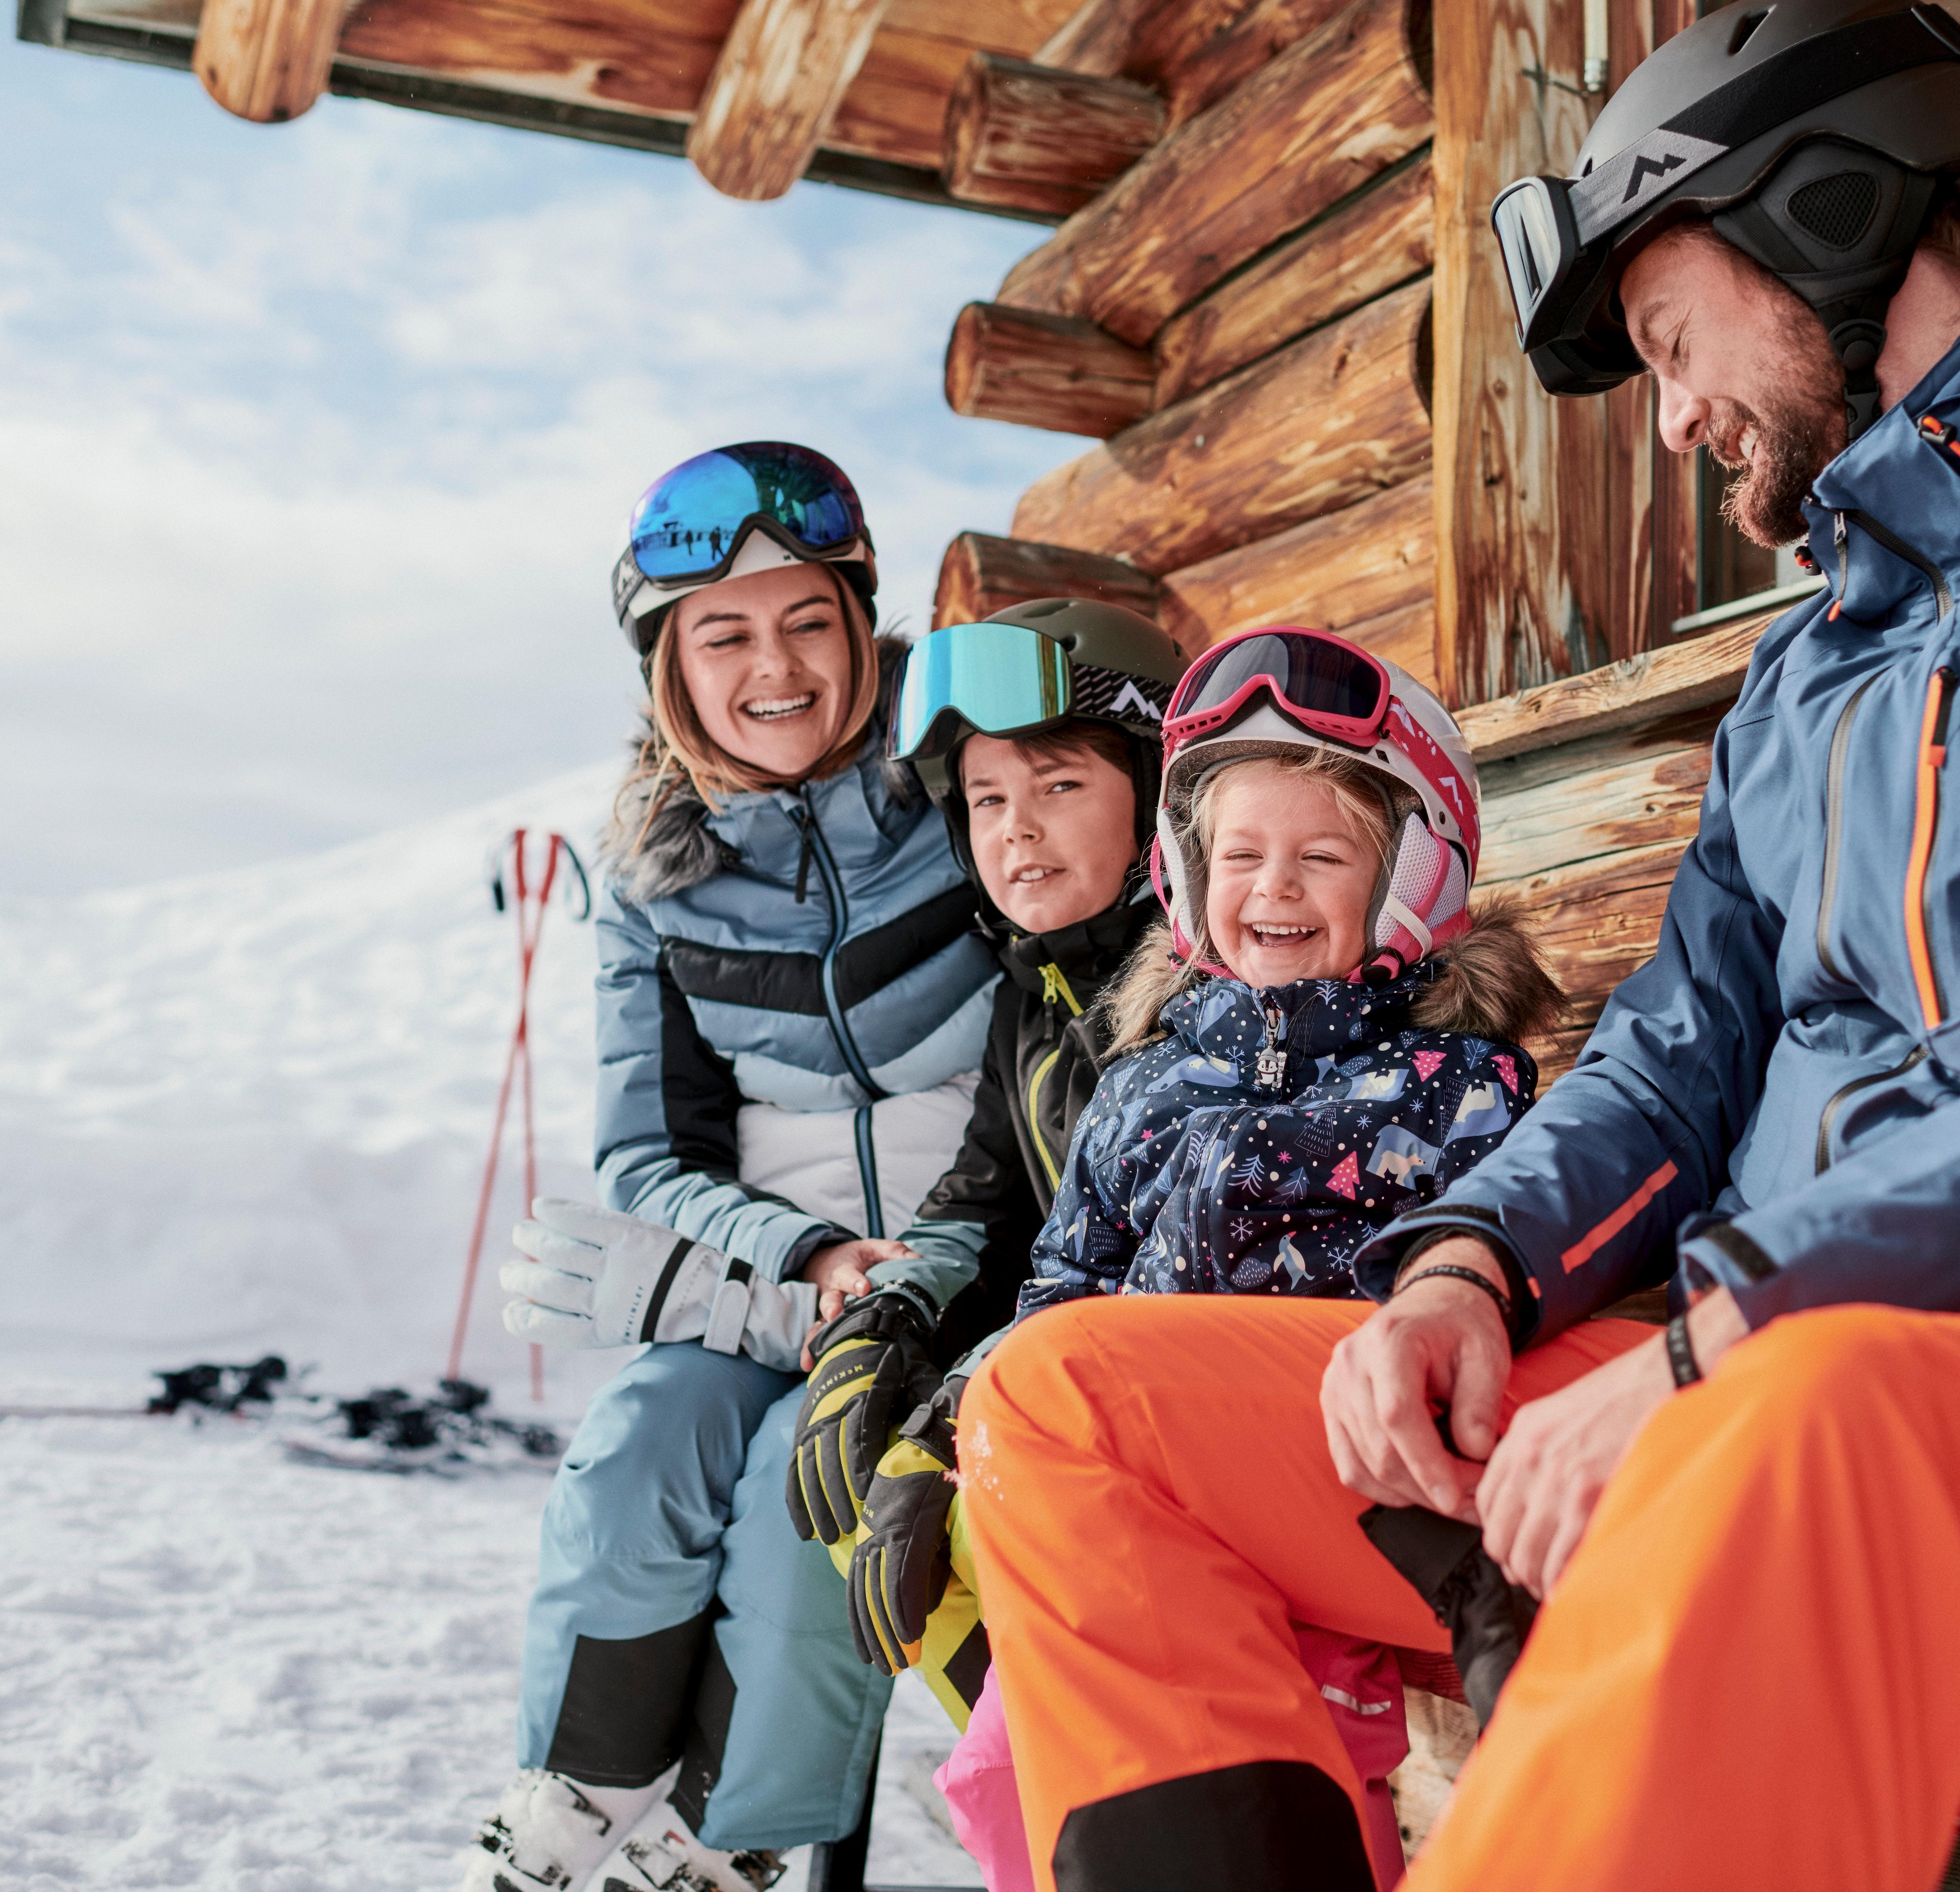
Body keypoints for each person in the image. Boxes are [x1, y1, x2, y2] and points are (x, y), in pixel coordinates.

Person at [957, 0, 1960, 1892]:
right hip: (1744, 1390)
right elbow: (1673, 1062)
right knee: (1069, 1402)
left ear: (1830, 216)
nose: (1674, 419)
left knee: (1812, 1416)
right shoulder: (1810, 676)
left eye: (1675, 341)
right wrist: (1465, 1269)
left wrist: (1743, 1316)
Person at [906, 627, 1562, 1892]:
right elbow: (1065, 1285)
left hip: (1340, 1485)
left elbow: (1488, 1268)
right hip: (1143, 1503)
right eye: (1242, 856)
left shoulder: (1457, 1085)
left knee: (1299, 1763)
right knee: (1005, 1773)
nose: (1274, 889)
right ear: (1187, 870)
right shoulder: (1144, 1084)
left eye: (1324, 857)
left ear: (1410, 878)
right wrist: (954, 1421)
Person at [462, 443, 1008, 1892]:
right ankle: (577, 1789)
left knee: (799, 1491)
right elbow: (647, 1152)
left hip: (966, 1279)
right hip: (780, 1287)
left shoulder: (965, 791)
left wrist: (910, 1277)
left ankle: (724, 1837)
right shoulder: (655, 879)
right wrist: (804, 1256)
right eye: (724, 636)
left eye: (808, 619)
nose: (775, 666)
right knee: (641, 1446)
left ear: (861, 626)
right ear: (670, 668)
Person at [782, 596, 1187, 1729]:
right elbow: (985, 1198)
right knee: (857, 1455)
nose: (1016, 831)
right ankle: (1043, 1786)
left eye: (1059, 786)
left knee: (963, 1502)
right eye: (987, 799)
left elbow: (1172, 1267)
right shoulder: (1037, 993)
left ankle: (1106, 1776)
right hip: (1080, 1385)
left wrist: (967, 1401)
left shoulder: (1209, 995)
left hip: (1183, 1402)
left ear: (1161, 796)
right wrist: (894, 1314)